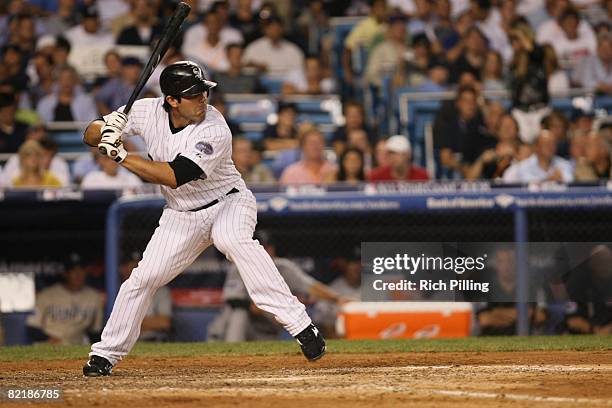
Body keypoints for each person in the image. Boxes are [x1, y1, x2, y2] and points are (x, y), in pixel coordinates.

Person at [81, 60, 325, 376]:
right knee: (143, 279)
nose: (202, 100)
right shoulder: (144, 111)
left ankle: (302, 326)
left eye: (203, 92)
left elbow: (173, 176)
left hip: (228, 203)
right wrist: (106, 132)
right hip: (181, 216)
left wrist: (122, 155)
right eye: (193, 94)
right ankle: (105, 355)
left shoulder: (214, 127)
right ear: (171, 100)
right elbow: (89, 132)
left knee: (232, 240)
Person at [209, 231, 348, 342]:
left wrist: (338, 299)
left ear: (272, 248)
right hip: (237, 328)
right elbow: (236, 302)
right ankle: (232, 349)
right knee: (239, 313)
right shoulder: (238, 267)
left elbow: (311, 286)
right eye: (259, 247)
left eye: (266, 247)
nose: (264, 250)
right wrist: (279, 310)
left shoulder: (283, 267)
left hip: (266, 330)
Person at [26, 253, 104, 345]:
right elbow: (32, 327)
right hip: (48, 345)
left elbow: (96, 331)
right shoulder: (47, 295)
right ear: (65, 273)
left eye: (81, 269)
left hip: (77, 346)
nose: (78, 274)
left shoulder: (94, 297)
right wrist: (49, 338)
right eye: (73, 270)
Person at [119, 251, 172, 342]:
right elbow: (117, 325)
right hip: (124, 341)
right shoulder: (118, 290)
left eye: (139, 265)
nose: (136, 268)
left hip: (152, 340)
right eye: (132, 265)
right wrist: (147, 323)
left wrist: (129, 322)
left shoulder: (160, 290)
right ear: (123, 268)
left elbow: (164, 323)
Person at [503, 130, 574, 183]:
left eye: (553, 144)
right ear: (536, 147)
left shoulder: (564, 164)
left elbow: (570, 181)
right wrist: (548, 181)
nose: (550, 147)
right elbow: (528, 184)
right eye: (546, 144)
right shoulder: (524, 166)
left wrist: (561, 179)